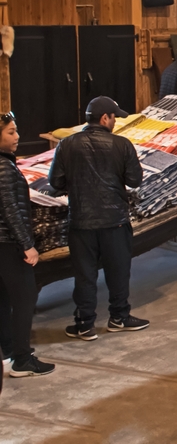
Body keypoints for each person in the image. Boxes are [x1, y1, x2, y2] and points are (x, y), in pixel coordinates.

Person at [49, 96, 147, 340]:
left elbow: (56, 182)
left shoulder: (66, 144)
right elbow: (135, 180)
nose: (115, 122)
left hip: (81, 222)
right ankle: (119, 318)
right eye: (114, 117)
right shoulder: (122, 145)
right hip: (115, 220)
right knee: (118, 270)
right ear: (105, 118)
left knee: (84, 274)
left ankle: (84, 324)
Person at [0, 112, 54, 377]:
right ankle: (22, 359)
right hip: (8, 244)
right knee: (24, 299)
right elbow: (10, 210)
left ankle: (8, 352)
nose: (17, 136)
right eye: (11, 132)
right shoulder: (4, 168)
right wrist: (26, 245)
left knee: (3, 299)